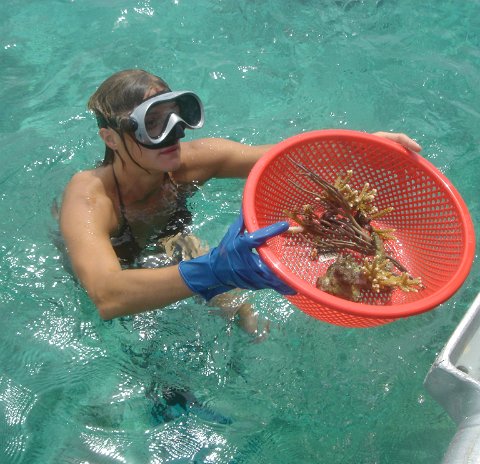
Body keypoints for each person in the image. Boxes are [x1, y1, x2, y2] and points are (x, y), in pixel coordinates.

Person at [59, 69, 422, 324]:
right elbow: (106, 296)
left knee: (243, 317)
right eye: (153, 123)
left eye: (175, 117)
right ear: (110, 138)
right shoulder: (89, 197)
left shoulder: (190, 162)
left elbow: (285, 159)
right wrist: (215, 269)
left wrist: (362, 147)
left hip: (171, 238)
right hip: (115, 263)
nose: (174, 134)